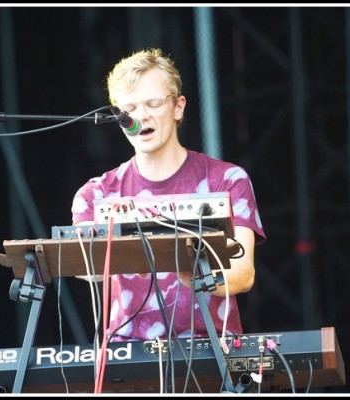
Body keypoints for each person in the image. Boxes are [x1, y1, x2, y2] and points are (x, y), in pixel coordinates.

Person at [71, 48, 266, 343]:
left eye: (152, 103)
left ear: (178, 107)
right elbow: (85, 268)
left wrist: (193, 271)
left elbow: (243, 274)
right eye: (129, 108)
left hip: (211, 352)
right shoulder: (96, 193)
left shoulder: (226, 180)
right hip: (128, 359)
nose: (141, 116)